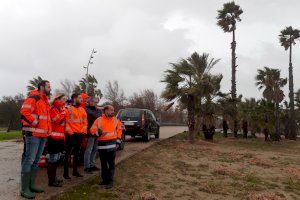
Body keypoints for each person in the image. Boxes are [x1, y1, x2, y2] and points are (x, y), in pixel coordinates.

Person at [20, 80, 52, 199]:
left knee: (36, 160)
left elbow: (46, 118)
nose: (50, 88)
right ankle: (24, 189)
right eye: (48, 86)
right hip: (33, 134)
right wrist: (34, 122)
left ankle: (31, 185)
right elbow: (24, 111)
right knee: (29, 159)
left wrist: (48, 131)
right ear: (42, 87)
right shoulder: (34, 97)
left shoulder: (45, 100)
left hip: (42, 135)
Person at [90, 105, 122, 189]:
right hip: (102, 146)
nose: (113, 112)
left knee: (111, 164)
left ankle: (110, 181)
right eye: (111, 110)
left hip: (112, 144)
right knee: (103, 164)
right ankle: (105, 180)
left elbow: (119, 130)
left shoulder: (115, 120)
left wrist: (118, 139)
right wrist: (98, 133)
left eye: (113, 110)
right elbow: (92, 130)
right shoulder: (99, 120)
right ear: (106, 111)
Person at [63, 93, 88, 179]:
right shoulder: (68, 109)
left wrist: (82, 132)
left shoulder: (82, 110)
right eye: (79, 97)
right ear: (74, 98)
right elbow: (66, 123)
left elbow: (85, 122)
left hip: (79, 135)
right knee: (68, 154)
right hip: (71, 135)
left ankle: (75, 172)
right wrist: (71, 133)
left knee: (76, 154)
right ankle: (65, 173)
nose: (81, 99)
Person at [47, 93, 67, 187]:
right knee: (53, 159)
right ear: (57, 99)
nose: (65, 101)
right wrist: (64, 113)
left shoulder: (60, 109)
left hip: (59, 138)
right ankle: (51, 181)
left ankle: (54, 178)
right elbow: (57, 121)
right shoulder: (53, 108)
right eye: (63, 99)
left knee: (57, 158)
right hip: (53, 138)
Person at [84, 97, 102, 173]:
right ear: (89, 102)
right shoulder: (86, 110)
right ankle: (87, 166)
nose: (95, 103)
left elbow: (100, 117)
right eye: (94, 101)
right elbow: (94, 116)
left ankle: (92, 164)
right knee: (89, 150)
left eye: (96, 102)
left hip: (96, 132)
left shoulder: (97, 110)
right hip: (90, 132)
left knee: (95, 149)